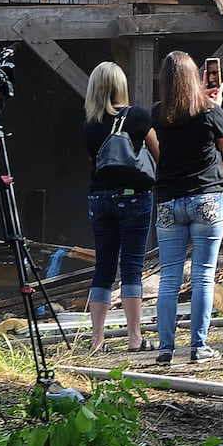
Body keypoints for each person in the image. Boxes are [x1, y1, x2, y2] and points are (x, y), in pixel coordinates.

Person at [152, 50, 223, 365]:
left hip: (168, 202)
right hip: (206, 199)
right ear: (195, 78)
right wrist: (216, 106)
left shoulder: (157, 114)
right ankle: (199, 348)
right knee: (202, 275)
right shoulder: (207, 109)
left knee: (170, 277)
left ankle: (165, 349)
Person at [82, 61, 159, 353]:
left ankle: (97, 340)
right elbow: (158, 152)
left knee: (103, 266)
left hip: (99, 199)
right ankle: (135, 338)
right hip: (134, 198)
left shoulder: (89, 123)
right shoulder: (138, 116)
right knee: (132, 267)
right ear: (120, 85)